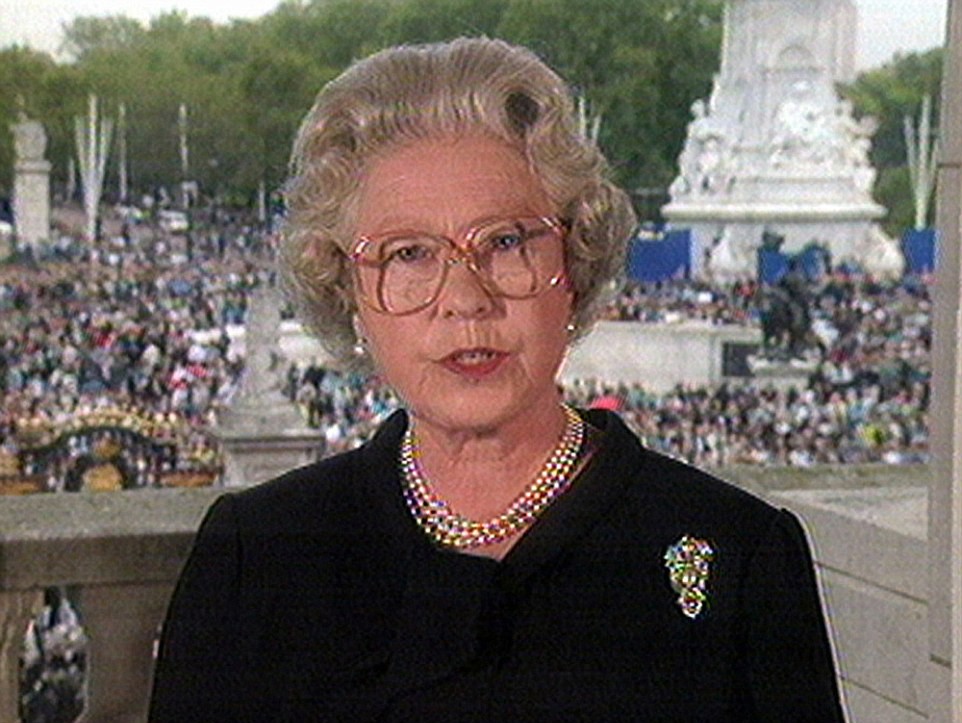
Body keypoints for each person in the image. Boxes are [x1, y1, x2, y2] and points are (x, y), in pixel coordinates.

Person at [149, 38, 845, 721]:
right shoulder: (254, 556)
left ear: (574, 266)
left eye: (506, 242)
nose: (465, 298)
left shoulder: (738, 555)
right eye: (409, 253)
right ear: (347, 291)